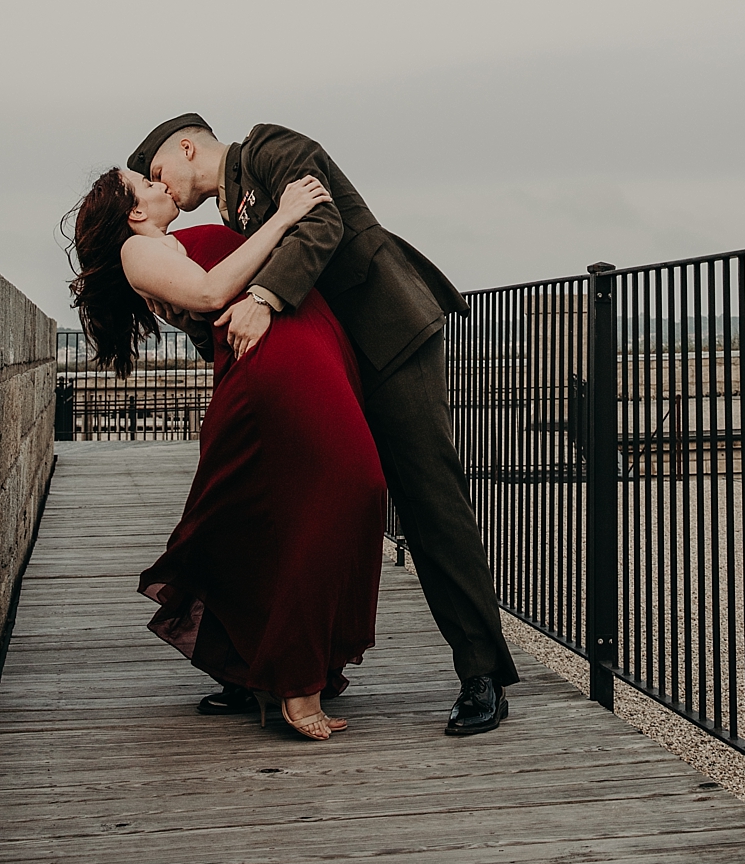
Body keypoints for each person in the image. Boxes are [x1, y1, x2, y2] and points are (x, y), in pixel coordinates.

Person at [128, 113, 518, 738]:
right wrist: (186, 309)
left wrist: (261, 299)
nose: (162, 188)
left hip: (386, 341)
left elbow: (322, 220)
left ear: (186, 145)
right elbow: (226, 309)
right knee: (271, 502)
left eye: (156, 173)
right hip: (329, 367)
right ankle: (257, 669)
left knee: (429, 500)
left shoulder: (272, 148)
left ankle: (482, 675)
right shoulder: (231, 216)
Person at [67, 164, 385, 741]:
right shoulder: (138, 253)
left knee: (287, 516)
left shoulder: (169, 241)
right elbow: (213, 291)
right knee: (354, 486)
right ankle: (296, 681)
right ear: (134, 213)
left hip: (303, 342)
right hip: (274, 363)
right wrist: (287, 216)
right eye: (146, 183)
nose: (161, 183)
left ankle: (267, 668)